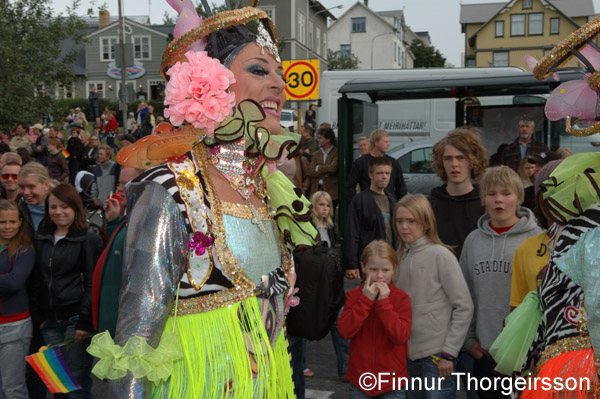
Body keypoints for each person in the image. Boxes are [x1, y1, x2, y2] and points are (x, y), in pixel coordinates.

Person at [88, 3, 312, 398]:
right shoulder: (172, 188)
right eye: (260, 70)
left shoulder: (267, 190)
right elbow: (138, 333)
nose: (279, 83)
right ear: (212, 84)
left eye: (280, 71)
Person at [460, 166, 542, 399]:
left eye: (506, 193)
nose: (499, 200)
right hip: (484, 353)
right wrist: (470, 344)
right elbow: (462, 294)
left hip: (525, 354)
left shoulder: (536, 239)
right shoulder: (474, 241)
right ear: (483, 199)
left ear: (518, 197)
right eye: (492, 193)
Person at [394, 194, 473, 399]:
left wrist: (449, 351)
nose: (404, 227)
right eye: (399, 221)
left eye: (411, 221)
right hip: (407, 356)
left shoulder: (441, 255)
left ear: (426, 223)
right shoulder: (398, 258)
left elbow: (463, 306)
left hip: (438, 356)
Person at [30, 183, 103, 399]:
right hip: (50, 321)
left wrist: (85, 320)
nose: (58, 212)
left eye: (64, 207)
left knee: (76, 383)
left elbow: (93, 282)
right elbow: (37, 279)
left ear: (75, 208)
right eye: (53, 207)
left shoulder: (88, 239)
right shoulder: (42, 237)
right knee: (57, 383)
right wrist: (40, 316)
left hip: (75, 320)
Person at [338, 240, 411, 399]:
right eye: (373, 269)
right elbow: (345, 331)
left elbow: (400, 336)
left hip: (392, 382)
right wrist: (366, 300)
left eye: (385, 270)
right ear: (363, 267)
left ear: (394, 269)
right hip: (360, 381)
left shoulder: (400, 298)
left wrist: (383, 303)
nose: (379, 275)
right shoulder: (354, 296)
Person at [93, 167, 142, 337]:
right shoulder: (128, 221)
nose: (119, 189)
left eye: (125, 183)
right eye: (119, 183)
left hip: (122, 329)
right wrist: (113, 221)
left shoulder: (143, 225)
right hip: (108, 323)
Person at [428, 128, 488, 259]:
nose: (454, 164)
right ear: (441, 163)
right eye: (448, 158)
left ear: (473, 161)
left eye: (461, 158)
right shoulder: (429, 206)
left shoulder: (486, 203)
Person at [509, 160, 561, 310]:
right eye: (547, 191)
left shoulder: (593, 245)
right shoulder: (526, 248)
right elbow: (517, 308)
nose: (554, 199)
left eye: (562, 190)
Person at [0, 200, 35, 399]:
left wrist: (8, 280)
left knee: (13, 389)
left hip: (14, 326)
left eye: (12, 221)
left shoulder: (25, 249)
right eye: (2, 222)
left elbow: (15, 282)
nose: (7, 227)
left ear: (21, 222)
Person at [343, 157, 397, 279]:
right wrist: (351, 264)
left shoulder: (393, 200)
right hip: (370, 262)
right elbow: (352, 232)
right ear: (370, 175)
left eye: (387, 173)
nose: (384, 176)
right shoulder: (360, 200)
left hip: (390, 260)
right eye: (380, 173)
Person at [346, 128, 406, 204]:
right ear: (376, 142)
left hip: (390, 206)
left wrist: (400, 206)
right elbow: (350, 186)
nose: (388, 144)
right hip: (368, 206)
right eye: (385, 142)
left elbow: (401, 187)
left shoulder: (393, 162)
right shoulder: (361, 162)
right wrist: (355, 204)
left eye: (387, 173)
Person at [307, 126, 338, 209]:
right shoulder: (317, 154)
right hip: (317, 190)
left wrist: (318, 168)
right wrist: (325, 172)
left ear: (328, 140)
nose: (318, 140)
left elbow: (333, 168)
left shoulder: (336, 152)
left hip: (331, 191)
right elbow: (310, 171)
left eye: (320, 138)